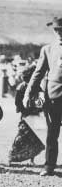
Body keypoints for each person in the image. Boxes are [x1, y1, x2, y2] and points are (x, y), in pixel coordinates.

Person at [23, 17, 62, 176]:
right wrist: (28, 93)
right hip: (53, 98)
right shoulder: (48, 49)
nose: (59, 33)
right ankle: (49, 166)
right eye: (56, 30)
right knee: (52, 133)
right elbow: (37, 73)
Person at [9, 65, 45, 164]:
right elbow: (18, 102)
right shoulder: (21, 87)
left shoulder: (37, 87)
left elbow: (41, 101)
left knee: (34, 138)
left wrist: (38, 108)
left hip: (35, 115)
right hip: (26, 115)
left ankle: (31, 159)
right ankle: (12, 157)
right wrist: (25, 111)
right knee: (21, 136)